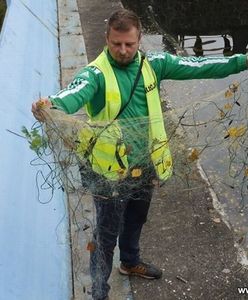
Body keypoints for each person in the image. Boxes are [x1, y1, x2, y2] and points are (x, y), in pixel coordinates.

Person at [32, 8, 248, 300]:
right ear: (107, 38)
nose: (123, 50)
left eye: (129, 44)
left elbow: (199, 65)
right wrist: (50, 106)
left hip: (145, 166)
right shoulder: (95, 75)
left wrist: (242, 61)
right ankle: (99, 292)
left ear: (139, 39)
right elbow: (72, 95)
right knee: (105, 237)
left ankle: (130, 262)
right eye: (116, 44)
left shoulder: (155, 64)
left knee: (136, 219)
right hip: (108, 173)